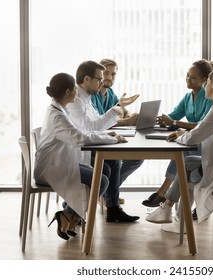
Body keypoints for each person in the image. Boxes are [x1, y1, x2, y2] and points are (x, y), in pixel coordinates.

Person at [145, 69, 213, 233]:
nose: (205, 86)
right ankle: (172, 213)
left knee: (186, 167)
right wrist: (186, 134)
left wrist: (180, 135)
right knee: (188, 165)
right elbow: (200, 133)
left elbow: (192, 139)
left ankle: (169, 210)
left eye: (207, 82)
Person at [33, 73, 136, 241]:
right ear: (68, 91)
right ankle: (69, 215)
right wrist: (110, 138)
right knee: (101, 181)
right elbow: (79, 138)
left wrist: (104, 134)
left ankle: (70, 213)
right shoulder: (58, 115)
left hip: (59, 163)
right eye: (74, 88)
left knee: (101, 171)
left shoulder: (59, 109)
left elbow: (80, 132)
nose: (76, 91)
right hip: (51, 169)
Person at [66, 60, 140, 223]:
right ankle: (72, 210)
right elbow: (90, 127)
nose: (102, 83)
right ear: (86, 79)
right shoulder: (77, 99)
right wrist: (116, 110)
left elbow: (96, 123)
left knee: (112, 162)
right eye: (99, 79)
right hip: (74, 152)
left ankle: (112, 209)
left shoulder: (86, 98)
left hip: (82, 146)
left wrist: (108, 133)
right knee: (107, 166)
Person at [142, 59, 213, 209]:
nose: (188, 79)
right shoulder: (188, 97)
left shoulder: (208, 98)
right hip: (191, 140)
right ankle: (167, 196)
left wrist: (174, 123)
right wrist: (162, 120)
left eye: (193, 77)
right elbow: (175, 115)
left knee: (182, 153)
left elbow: (202, 125)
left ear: (204, 80)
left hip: (204, 143)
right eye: (187, 75)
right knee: (181, 152)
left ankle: (164, 193)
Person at [92, 58, 144, 188]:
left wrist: (133, 116)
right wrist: (127, 122)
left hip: (110, 137)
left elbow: (122, 112)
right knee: (117, 159)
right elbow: (101, 123)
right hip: (97, 141)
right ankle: (108, 193)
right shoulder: (92, 95)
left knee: (137, 158)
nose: (109, 77)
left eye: (113, 74)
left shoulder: (110, 94)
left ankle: (109, 192)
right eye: (106, 73)